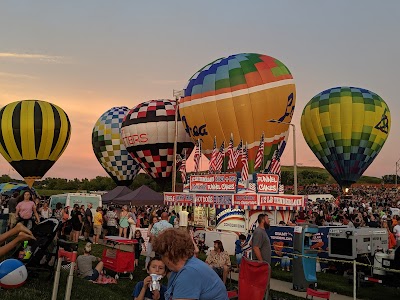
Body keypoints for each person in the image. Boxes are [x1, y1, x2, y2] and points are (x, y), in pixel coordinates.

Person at [152, 228, 228, 300]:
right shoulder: (188, 265)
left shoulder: (188, 273)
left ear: (168, 255)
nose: (161, 259)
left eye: (161, 255)